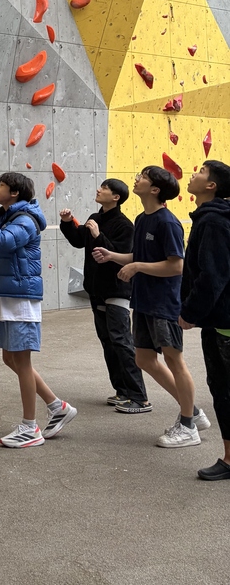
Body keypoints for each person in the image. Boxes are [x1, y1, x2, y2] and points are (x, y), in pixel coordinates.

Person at [92, 165, 209, 448]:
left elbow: (176, 265)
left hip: (164, 304)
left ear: (155, 189)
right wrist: (113, 256)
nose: (136, 180)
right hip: (143, 301)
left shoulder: (167, 222)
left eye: (143, 177)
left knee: (174, 360)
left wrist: (137, 267)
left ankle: (188, 426)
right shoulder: (142, 219)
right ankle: (192, 411)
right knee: (144, 359)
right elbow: (140, 255)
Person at [0, 172, 76, 448]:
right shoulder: (9, 217)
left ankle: (30, 427)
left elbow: (2, 243)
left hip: (21, 297)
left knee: (22, 362)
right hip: (9, 295)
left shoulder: (25, 219)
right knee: (10, 358)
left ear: (14, 193)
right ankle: (57, 406)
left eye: (1, 185)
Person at [59, 179, 150, 412]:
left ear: (116, 197)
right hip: (96, 290)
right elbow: (79, 240)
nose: (99, 190)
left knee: (122, 341)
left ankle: (139, 397)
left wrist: (98, 235)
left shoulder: (125, 225)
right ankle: (122, 391)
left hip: (117, 290)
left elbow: (120, 255)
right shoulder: (95, 217)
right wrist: (67, 223)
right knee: (108, 342)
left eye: (105, 188)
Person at [179, 160, 230, 479]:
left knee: (225, 391)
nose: (193, 174)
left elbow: (213, 275)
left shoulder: (213, 221)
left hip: (223, 324)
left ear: (211, 186)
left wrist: (189, 313)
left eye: (200, 172)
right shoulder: (211, 218)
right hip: (218, 321)